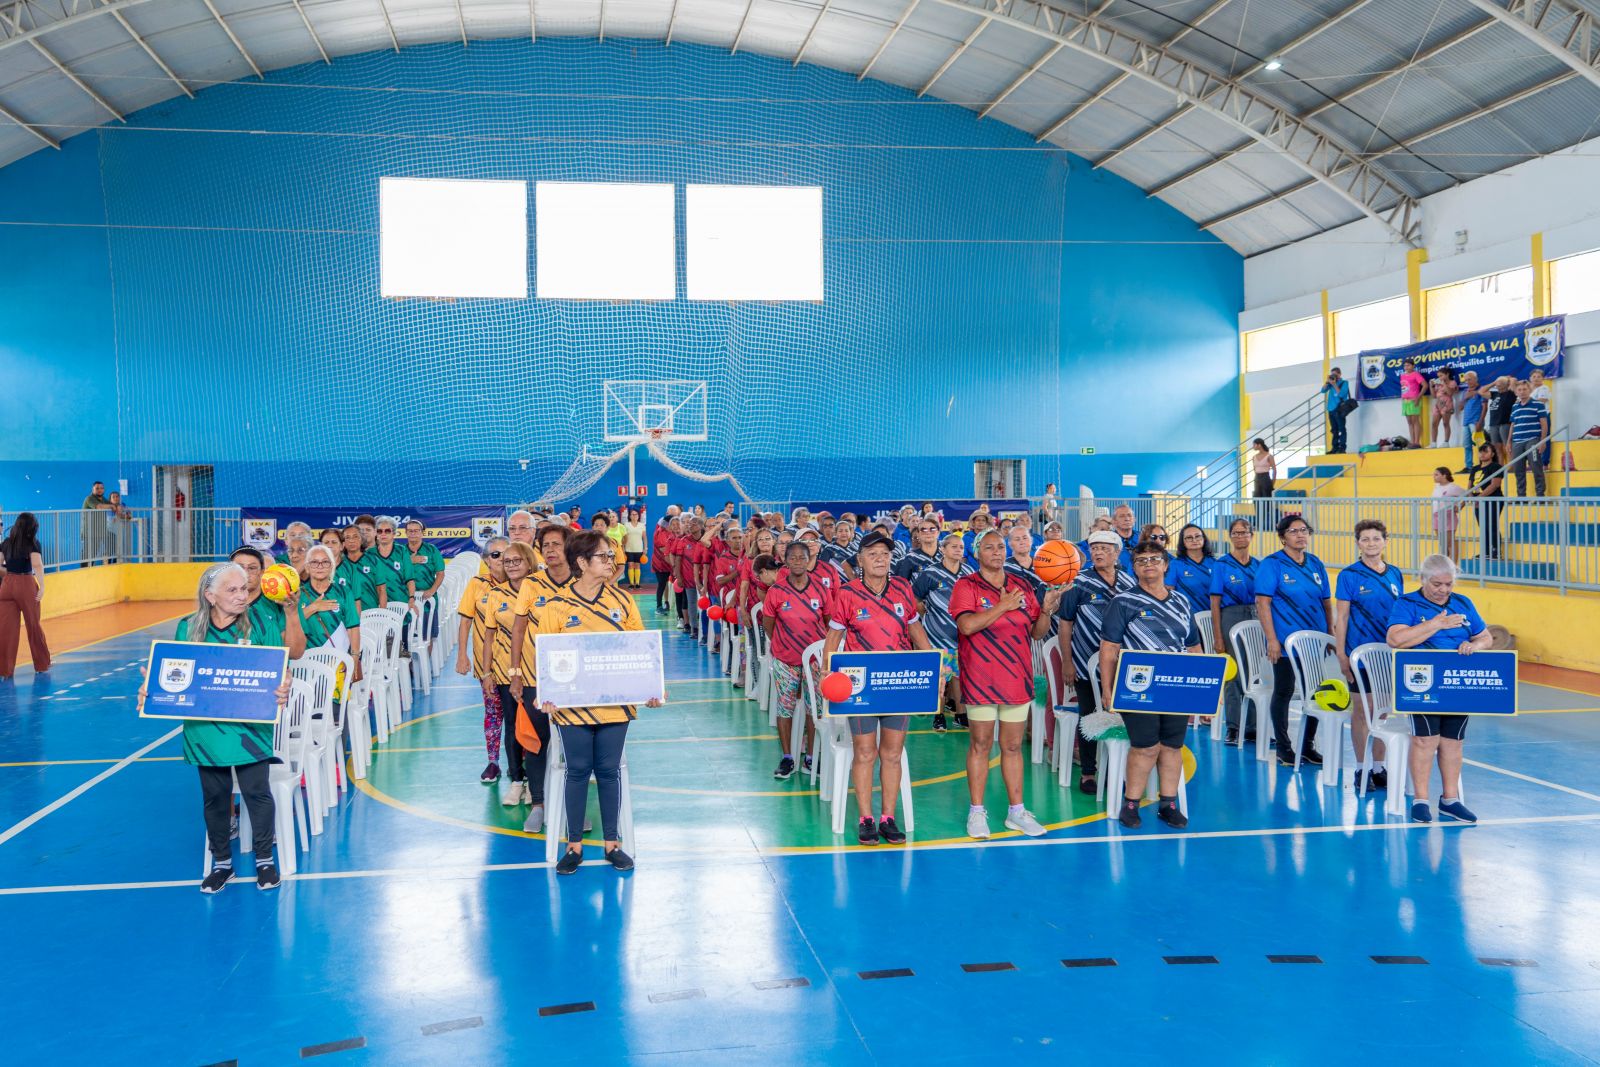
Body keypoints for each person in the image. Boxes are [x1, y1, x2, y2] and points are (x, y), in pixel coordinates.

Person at [143, 562, 291, 892]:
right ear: (210, 596)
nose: (242, 596)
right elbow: (173, 675)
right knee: (215, 797)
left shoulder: (260, 625)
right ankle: (222, 862)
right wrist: (152, 689)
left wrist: (284, 685)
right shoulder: (187, 629)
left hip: (249, 727)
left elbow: (279, 668)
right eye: (233, 590)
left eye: (244, 589)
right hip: (204, 730)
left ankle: (265, 859)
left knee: (257, 793)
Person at [539, 531, 662, 875]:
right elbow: (546, 655)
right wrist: (548, 693)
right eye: (604, 557)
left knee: (608, 772)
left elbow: (642, 649)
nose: (611, 562)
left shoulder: (623, 601)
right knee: (577, 771)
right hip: (572, 707)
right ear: (581, 563)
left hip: (615, 705)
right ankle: (574, 846)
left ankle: (612, 844)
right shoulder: (557, 606)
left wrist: (651, 688)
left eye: (611, 557)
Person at [823, 532, 937, 846]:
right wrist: (824, 671)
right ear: (860, 560)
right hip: (861, 685)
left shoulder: (902, 588)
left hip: (898, 683)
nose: (879, 558)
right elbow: (833, 638)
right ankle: (865, 819)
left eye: (884, 553)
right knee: (864, 752)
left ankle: (888, 818)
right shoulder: (847, 593)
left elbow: (915, 629)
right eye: (872, 553)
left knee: (892, 753)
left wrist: (933, 663)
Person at [954, 529, 1060, 839]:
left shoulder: (1022, 585)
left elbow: (1037, 633)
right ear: (977, 553)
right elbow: (967, 625)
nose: (998, 552)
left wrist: (1048, 609)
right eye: (990, 547)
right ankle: (976, 812)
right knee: (981, 745)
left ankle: (1016, 812)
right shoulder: (966, 585)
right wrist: (1003, 606)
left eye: (1001, 546)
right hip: (980, 678)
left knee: (1013, 746)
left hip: (1017, 677)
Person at [1099, 538, 1202, 829]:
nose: (1148, 565)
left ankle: (1168, 803)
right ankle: (1130, 804)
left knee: (1172, 746)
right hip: (1138, 686)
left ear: (1166, 565)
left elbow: (1193, 647)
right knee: (1145, 746)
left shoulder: (1181, 601)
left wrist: (1204, 691)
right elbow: (1108, 649)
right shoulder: (1123, 602)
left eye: (1154, 559)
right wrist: (1108, 690)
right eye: (1141, 561)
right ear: (1134, 568)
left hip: (1177, 685)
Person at [1386, 554, 1494, 824]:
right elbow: (1396, 639)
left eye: (1448, 584)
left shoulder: (1463, 603)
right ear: (1423, 580)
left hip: (1456, 680)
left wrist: (1474, 646)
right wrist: (1437, 623)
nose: (1443, 590)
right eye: (1437, 584)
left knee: (1453, 741)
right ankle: (1421, 800)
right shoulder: (1407, 603)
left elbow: (1485, 637)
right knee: (1424, 740)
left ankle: (1450, 800)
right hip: (1420, 681)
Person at [1054, 530, 1134, 793]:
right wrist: (1067, 661)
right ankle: (1088, 772)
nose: (1098, 552)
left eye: (1105, 548)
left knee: (1122, 717)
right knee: (1088, 715)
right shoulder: (1078, 581)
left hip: (1121, 665)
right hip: (1085, 663)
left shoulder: (1128, 581)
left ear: (1117, 552)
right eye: (1094, 548)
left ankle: (1117, 770)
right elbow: (1065, 624)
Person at [1332, 520, 1403, 791]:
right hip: (1359, 654)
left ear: (1385, 541)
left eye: (1376, 538)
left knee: (1383, 712)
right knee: (1362, 711)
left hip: (1386, 655)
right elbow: (1343, 616)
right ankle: (1361, 769)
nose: (1371, 543)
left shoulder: (1395, 573)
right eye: (1365, 539)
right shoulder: (1349, 575)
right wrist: (1341, 654)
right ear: (1357, 543)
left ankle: (1378, 767)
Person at [1254, 514, 1328, 767]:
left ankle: (1307, 746)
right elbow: (1263, 603)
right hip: (1285, 642)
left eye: (1304, 530)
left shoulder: (1316, 563)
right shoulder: (1272, 564)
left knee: (1314, 694)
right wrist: (1272, 639)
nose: (1300, 535)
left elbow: (1326, 602)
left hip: (1314, 643)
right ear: (1283, 536)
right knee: (1284, 690)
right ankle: (1284, 747)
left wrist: (1329, 634)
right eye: (1294, 531)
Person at [760, 543, 829, 779]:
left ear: (809, 560)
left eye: (803, 557)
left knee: (814, 708)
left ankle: (811, 757)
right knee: (785, 707)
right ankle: (788, 757)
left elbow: (829, 622)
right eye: (793, 557)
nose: (798, 561)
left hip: (814, 662)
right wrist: (782, 644)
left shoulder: (821, 589)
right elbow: (768, 623)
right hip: (785, 659)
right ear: (785, 561)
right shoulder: (776, 591)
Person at [480, 541, 536, 808]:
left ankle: (536, 783)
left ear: (529, 562)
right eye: (507, 561)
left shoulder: (541, 590)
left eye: (517, 560)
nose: (511, 565)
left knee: (538, 727)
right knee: (513, 727)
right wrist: (487, 671)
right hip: (505, 672)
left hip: (536, 670)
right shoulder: (496, 595)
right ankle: (517, 780)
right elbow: (489, 637)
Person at [456, 535, 509, 784]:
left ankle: (521, 764)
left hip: (519, 665)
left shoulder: (525, 584)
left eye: (507, 554)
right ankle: (493, 762)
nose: (502, 560)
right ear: (487, 560)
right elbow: (465, 620)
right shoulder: (477, 584)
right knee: (493, 713)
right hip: (487, 664)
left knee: (520, 716)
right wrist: (462, 655)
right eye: (496, 555)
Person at [913, 531, 973, 732]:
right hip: (936, 636)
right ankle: (938, 716)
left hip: (962, 637)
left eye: (961, 547)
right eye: (954, 546)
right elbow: (914, 599)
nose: (958, 550)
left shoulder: (968, 573)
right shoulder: (930, 573)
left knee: (960, 677)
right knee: (939, 679)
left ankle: (960, 714)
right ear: (943, 549)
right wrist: (925, 612)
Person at [1210, 518, 1259, 744]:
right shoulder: (1221, 565)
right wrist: (1218, 636)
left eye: (1245, 532)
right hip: (1231, 616)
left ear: (1251, 535)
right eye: (1236, 533)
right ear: (1230, 536)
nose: (1241, 537)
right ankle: (1233, 726)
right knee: (1234, 674)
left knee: (1255, 673)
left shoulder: (1259, 565)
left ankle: (1253, 727)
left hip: (1256, 616)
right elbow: (1215, 601)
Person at [230, 547, 307, 658]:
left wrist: (292, 613)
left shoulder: (284, 603)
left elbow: (295, 653)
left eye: (252, 568)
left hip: (271, 672)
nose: (245, 573)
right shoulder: (220, 604)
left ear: (262, 573)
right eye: (239, 568)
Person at [0, 512, 49, 679]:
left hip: (6, 585)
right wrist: (41, 586)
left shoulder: (6, 543)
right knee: (33, 625)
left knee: (5, 630)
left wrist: (9, 575)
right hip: (26, 584)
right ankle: (42, 664)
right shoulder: (33, 543)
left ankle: (5, 670)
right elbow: (37, 564)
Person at [1507, 378, 1549, 496]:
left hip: (1532, 440)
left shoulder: (1538, 404)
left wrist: (1543, 441)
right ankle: (1521, 496)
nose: (1522, 392)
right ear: (1516, 392)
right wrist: (1509, 442)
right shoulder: (1515, 407)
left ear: (1530, 390)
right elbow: (1512, 425)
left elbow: (1544, 424)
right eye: (1519, 390)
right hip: (1517, 442)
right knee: (1518, 471)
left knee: (1536, 468)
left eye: (1525, 389)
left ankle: (1540, 495)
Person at [1465, 443, 1507, 560]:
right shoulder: (1475, 468)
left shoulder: (1496, 467)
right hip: (1479, 501)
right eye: (1480, 451)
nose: (1482, 454)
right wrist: (1471, 497)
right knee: (1483, 526)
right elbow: (1470, 486)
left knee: (1491, 525)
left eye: (1486, 451)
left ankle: (1495, 551)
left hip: (1493, 500)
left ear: (1493, 454)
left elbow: (1495, 485)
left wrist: (1479, 497)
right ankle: (1486, 551)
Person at [1165, 523, 1214, 616]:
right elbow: (1169, 593)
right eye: (1189, 537)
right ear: (1183, 541)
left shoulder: (1215, 563)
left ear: (1204, 538)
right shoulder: (1176, 564)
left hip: (1212, 616)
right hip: (1186, 616)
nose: (1194, 540)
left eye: (1198, 536)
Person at [337, 525, 380, 612]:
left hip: (371, 613)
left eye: (355, 536)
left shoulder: (373, 560)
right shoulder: (339, 563)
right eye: (347, 537)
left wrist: (381, 613)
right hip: (346, 615)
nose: (351, 540)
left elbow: (381, 590)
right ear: (343, 543)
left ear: (362, 539)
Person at [1431, 467, 1467, 561]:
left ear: (1444, 475)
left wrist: (1460, 506)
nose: (1434, 476)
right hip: (1436, 515)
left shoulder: (1453, 487)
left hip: (1447, 515)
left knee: (1450, 542)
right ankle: (1446, 564)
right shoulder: (1437, 487)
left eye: (1436, 474)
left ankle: (1453, 565)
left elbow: (1467, 495)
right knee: (1442, 543)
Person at [894, 516, 942, 583]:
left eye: (932, 529)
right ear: (918, 534)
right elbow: (902, 587)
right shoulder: (909, 558)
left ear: (938, 532)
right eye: (923, 530)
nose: (928, 532)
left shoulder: (947, 556)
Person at [1482, 376, 1515, 465]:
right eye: (1497, 384)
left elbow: (1513, 381)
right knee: (1497, 447)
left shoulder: (1510, 393)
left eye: (1501, 384)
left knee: (1507, 445)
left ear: (1506, 384)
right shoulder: (1494, 394)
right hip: (1493, 424)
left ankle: (1512, 465)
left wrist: (1508, 379)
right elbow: (1481, 391)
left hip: (1505, 422)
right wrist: (1493, 382)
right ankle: (1500, 466)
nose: (1498, 385)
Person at [80, 480, 113, 565]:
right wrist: (112, 506)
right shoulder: (89, 498)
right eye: (97, 488)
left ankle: (108, 564)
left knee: (94, 554)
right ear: (92, 489)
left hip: (100, 532)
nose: (99, 490)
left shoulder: (103, 499)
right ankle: (83, 573)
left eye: (101, 488)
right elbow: (99, 507)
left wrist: (120, 508)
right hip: (89, 533)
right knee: (87, 556)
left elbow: (113, 505)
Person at [1458, 370, 1483, 474]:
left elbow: (1485, 407)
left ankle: (1483, 464)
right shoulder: (1465, 391)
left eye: (1470, 379)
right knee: (1467, 445)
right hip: (1466, 422)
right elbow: (1460, 408)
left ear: (1476, 379)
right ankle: (1469, 466)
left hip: (1476, 421)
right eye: (1466, 380)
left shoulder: (1481, 389)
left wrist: (1480, 421)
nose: (1468, 381)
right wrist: (1465, 398)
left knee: (1480, 445)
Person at [651, 513, 677, 612]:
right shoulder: (660, 532)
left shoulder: (674, 533)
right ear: (667, 524)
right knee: (662, 583)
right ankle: (659, 606)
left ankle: (670, 604)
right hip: (660, 563)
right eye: (673, 524)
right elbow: (663, 549)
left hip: (671, 563)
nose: (675, 526)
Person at [1322, 367, 1351, 454]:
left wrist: (1334, 384)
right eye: (1332, 375)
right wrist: (1327, 382)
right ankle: (1334, 448)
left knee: (1342, 429)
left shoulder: (1344, 383)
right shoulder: (1330, 384)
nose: (1333, 376)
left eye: (1335, 374)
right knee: (1334, 430)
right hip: (1331, 410)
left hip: (1340, 409)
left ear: (1339, 374)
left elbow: (1342, 394)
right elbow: (1322, 391)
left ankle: (1342, 448)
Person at [1530, 368, 1555, 467]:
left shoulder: (1544, 388)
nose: (1536, 379)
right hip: (1533, 418)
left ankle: (1545, 462)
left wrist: (1526, 402)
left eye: (1539, 377)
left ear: (1543, 378)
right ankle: (1535, 462)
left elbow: (1541, 401)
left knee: (1544, 439)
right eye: (1534, 377)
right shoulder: (1531, 391)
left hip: (1543, 417)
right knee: (1534, 440)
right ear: (1530, 378)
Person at [1399, 359, 1426, 445]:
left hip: (1414, 400)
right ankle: (1412, 441)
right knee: (1409, 422)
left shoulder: (1416, 374)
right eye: (1405, 365)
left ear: (1413, 366)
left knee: (1415, 421)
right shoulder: (1402, 376)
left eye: (1408, 365)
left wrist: (1418, 397)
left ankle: (1417, 442)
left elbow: (1425, 385)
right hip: (1405, 401)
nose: (1406, 367)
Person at [1429, 366, 1457, 447]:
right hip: (1437, 405)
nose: (1439, 378)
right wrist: (1431, 386)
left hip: (1447, 404)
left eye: (1441, 376)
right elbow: (1434, 396)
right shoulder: (1438, 384)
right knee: (1434, 423)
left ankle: (1446, 442)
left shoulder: (1452, 382)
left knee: (1445, 423)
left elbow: (1450, 393)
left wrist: (1444, 383)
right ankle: (1433, 443)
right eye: (1438, 376)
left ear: (1447, 374)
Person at [621, 507, 647, 590]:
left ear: (638, 516)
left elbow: (644, 537)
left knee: (637, 566)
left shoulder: (642, 525)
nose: (634, 516)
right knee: (630, 565)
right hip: (628, 549)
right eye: (632, 514)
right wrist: (623, 548)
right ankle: (631, 584)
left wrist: (645, 548)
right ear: (630, 516)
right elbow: (623, 537)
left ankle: (637, 584)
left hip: (639, 549)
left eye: (636, 514)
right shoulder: (626, 525)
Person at [1250, 438, 1276, 504]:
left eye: (1254, 445)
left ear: (1259, 445)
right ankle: (1258, 514)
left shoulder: (1269, 456)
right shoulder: (1254, 457)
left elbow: (1274, 470)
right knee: (1256, 498)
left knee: (1266, 498)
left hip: (1265, 477)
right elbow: (1255, 469)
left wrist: (1272, 482)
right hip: (1257, 478)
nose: (1253, 446)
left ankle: (1267, 514)